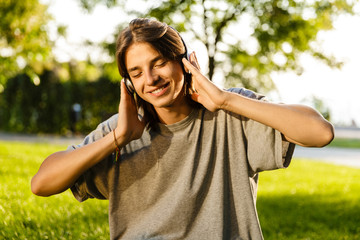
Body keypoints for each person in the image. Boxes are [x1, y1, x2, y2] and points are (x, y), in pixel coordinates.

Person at [31, 18, 334, 239]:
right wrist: (117, 138)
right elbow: (41, 184)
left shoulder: (231, 113)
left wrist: (225, 99)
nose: (150, 79)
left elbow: (320, 133)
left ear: (186, 63)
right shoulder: (121, 131)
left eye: (159, 62)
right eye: (137, 73)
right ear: (129, 84)